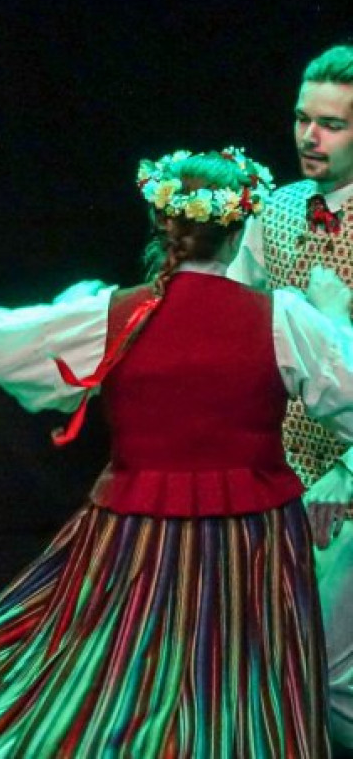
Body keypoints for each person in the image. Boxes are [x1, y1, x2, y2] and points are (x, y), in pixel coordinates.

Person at [0, 148, 348, 756]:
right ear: (240, 231)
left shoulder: (117, 312)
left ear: (163, 227)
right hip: (250, 538)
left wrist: (78, 307)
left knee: (121, 675)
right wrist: (335, 318)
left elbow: (2, 350)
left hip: (134, 534)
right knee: (239, 682)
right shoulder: (282, 318)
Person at [228, 44, 353, 750]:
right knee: (268, 665)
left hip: (347, 483)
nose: (310, 136)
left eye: (331, 124)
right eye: (304, 119)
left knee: (334, 680)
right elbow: (235, 320)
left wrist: (346, 474)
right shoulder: (273, 211)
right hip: (280, 475)